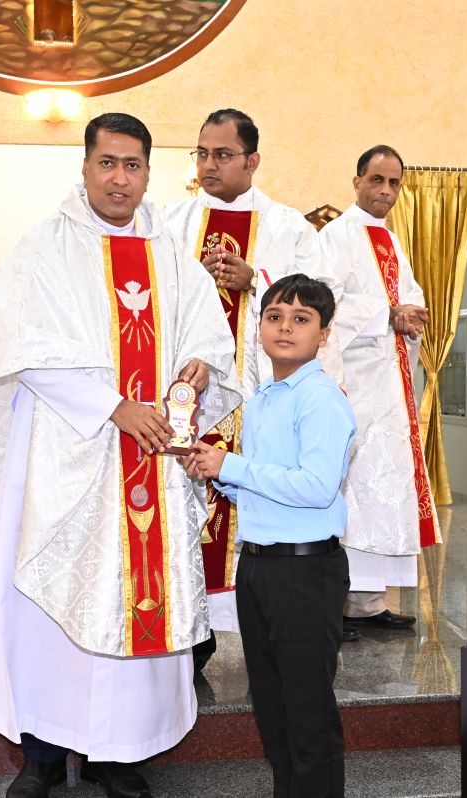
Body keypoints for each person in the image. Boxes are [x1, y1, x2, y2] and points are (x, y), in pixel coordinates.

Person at [0, 113, 241, 798]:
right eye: (107, 163)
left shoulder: (171, 251)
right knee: (53, 595)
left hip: (150, 457)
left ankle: (117, 754)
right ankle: (40, 753)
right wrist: (113, 407)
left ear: (148, 172)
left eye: (133, 165)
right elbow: (22, 347)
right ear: (85, 167)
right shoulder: (46, 247)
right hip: (69, 453)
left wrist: (200, 367)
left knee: (131, 600)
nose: (120, 178)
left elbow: (207, 334)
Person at [180, 273, 356, 798]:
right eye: (274, 317)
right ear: (258, 328)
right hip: (258, 566)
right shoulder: (261, 399)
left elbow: (317, 488)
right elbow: (268, 486)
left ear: (323, 334)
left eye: (301, 319)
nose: (285, 328)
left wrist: (232, 465)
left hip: (306, 570)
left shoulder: (319, 398)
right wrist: (219, 475)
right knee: (273, 709)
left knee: (307, 712)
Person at [163, 109, 326, 663]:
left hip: (257, 393)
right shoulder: (172, 222)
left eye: (223, 155)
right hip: (190, 394)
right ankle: (192, 628)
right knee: (187, 501)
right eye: (202, 153)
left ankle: (253, 618)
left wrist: (255, 280)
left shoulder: (287, 226)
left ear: (252, 160)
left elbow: (320, 297)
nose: (208, 165)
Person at [318, 145, 439, 630]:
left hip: (392, 383)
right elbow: (323, 302)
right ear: (357, 181)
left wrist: (411, 315)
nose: (385, 191)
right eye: (376, 180)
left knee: (387, 490)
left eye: (394, 183)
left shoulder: (391, 238)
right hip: (355, 385)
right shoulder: (335, 236)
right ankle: (340, 605)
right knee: (356, 491)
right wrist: (386, 315)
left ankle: (369, 603)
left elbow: (409, 295)